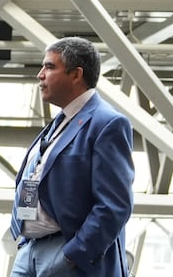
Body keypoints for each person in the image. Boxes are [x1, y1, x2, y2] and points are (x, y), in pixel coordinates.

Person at [10, 37, 134, 276]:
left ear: (76, 74)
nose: (40, 75)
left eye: (49, 66)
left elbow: (114, 205)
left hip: (66, 255)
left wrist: (73, 255)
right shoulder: (59, 123)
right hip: (30, 250)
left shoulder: (107, 123)